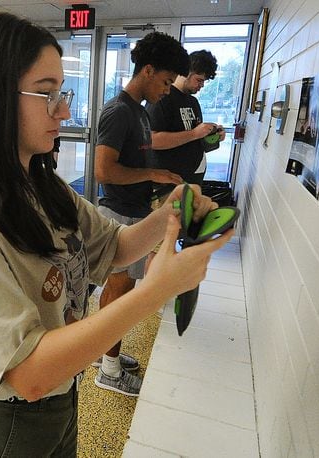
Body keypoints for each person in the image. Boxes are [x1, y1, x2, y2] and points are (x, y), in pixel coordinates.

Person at [0, 13, 232, 456]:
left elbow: (115, 247)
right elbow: (28, 374)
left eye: (61, 93)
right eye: (47, 94)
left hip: (61, 395)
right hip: (4, 420)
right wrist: (156, 291)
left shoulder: (43, 187)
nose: (64, 110)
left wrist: (171, 212)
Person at [92, 31, 189, 396]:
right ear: (147, 71)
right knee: (119, 292)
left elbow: (136, 160)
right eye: (165, 81)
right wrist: (150, 174)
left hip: (134, 209)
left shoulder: (140, 112)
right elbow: (104, 170)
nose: (168, 89)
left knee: (121, 290)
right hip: (119, 213)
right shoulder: (119, 112)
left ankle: (104, 354)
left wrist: (157, 181)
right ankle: (109, 371)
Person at [146, 50, 224, 201]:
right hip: (166, 186)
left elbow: (195, 138)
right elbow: (152, 140)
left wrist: (213, 136)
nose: (201, 85)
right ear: (186, 72)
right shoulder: (162, 98)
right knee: (168, 224)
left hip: (190, 180)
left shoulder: (192, 102)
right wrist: (195, 133)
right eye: (199, 80)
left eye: (204, 81)